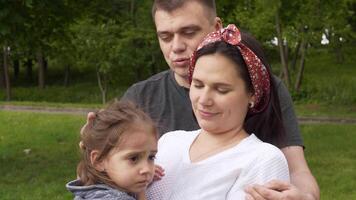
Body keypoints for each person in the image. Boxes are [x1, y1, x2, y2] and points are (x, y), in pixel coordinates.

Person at [121, 0, 319, 199]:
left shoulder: (263, 155)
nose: (176, 47)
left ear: (253, 94)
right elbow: (109, 169)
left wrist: (305, 198)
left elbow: (296, 171)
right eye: (165, 36)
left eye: (189, 32)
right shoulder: (164, 134)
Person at [147, 24, 289, 199]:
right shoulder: (169, 143)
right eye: (198, 85)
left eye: (221, 89)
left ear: (252, 94)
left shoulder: (263, 159)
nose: (204, 100)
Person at [66, 101, 158, 200]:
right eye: (134, 158)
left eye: (151, 157)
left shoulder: (91, 189)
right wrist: (141, 193)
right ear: (99, 161)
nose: (147, 169)